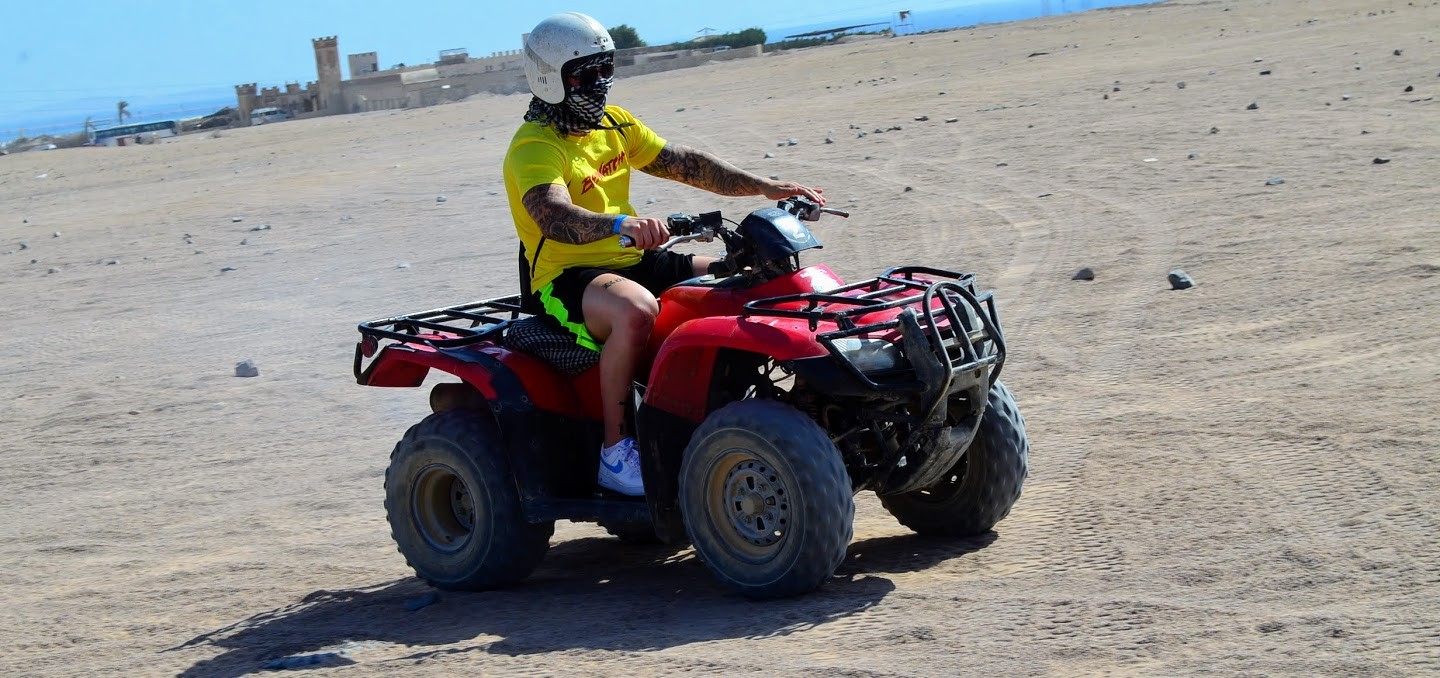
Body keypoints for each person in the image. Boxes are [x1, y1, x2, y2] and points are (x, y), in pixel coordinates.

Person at [503, 12, 825, 496]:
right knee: (636, 310)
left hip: (632, 259)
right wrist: (621, 225)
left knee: (744, 277)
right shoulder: (534, 147)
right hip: (567, 276)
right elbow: (552, 215)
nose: (600, 84)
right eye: (585, 74)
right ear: (550, 79)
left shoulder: (615, 125)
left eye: (605, 69)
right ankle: (616, 452)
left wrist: (764, 187)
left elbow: (685, 164)